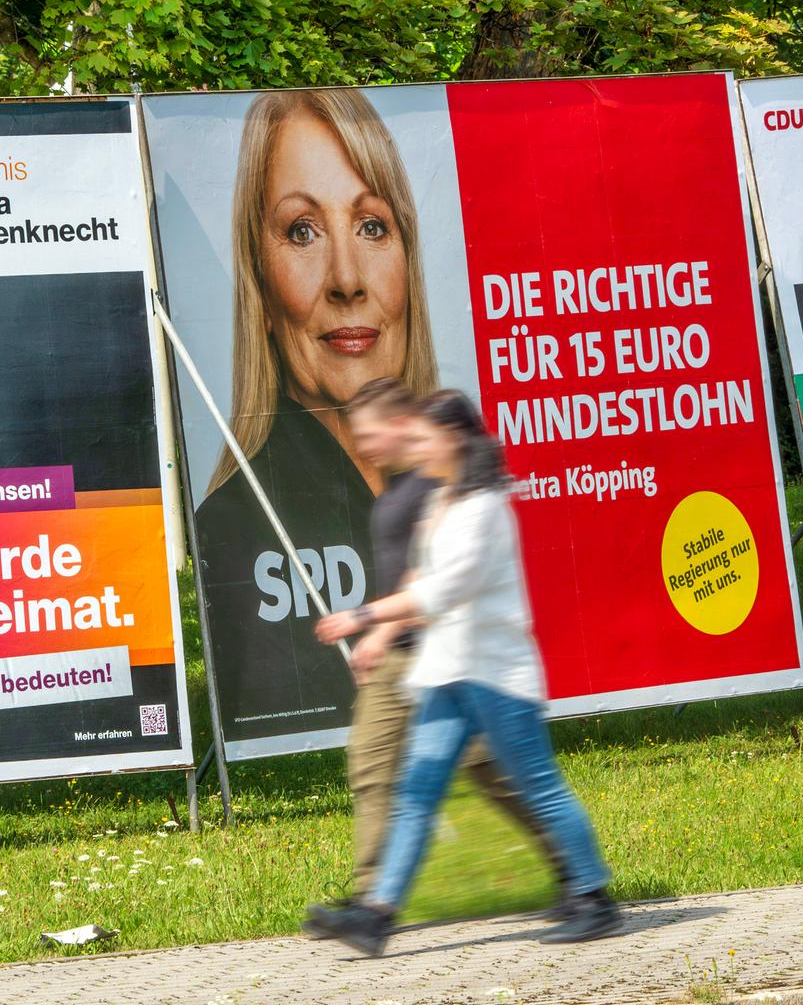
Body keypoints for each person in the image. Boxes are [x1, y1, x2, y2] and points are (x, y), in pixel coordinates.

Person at [306, 390, 621, 956]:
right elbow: (423, 583)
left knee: (539, 788)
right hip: (446, 674)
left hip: (495, 676)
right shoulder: (443, 501)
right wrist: (380, 630)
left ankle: (593, 897)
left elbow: (445, 589)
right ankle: (375, 917)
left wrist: (363, 615)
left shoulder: (484, 508)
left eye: (424, 437)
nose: (415, 446)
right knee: (416, 792)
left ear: (452, 439)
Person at [193, 88, 440, 744]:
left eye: (372, 226)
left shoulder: (461, 483)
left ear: (408, 262)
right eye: (302, 231)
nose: (347, 280)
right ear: (261, 285)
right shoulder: (236, 525)